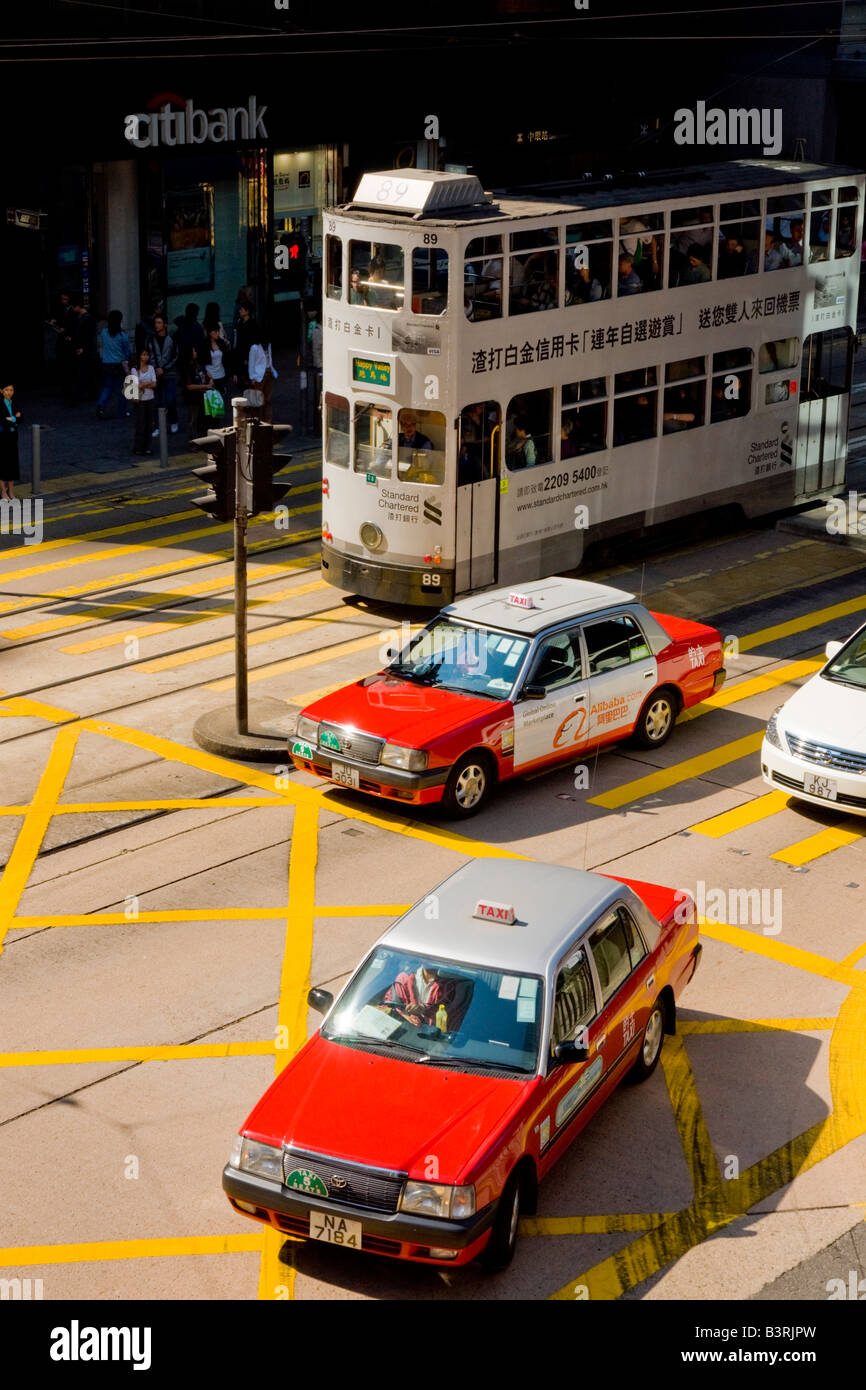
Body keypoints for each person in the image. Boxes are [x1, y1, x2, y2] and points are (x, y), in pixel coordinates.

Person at [146, 313, 179, 435]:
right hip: (155, 373)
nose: (156, 325)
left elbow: (176, 355)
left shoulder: (171, 339)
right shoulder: (150, 338)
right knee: (157, 401)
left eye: (159, 323)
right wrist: (154, 368)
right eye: (155, 323)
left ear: (165, 325)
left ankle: (173, 421)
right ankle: (158, 426)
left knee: (170, 399)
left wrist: (164, 368)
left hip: (168, 373)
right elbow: (148, 354)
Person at [95, 310, 131, 419]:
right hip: (119, 365)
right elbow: (127, 352)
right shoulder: (123, 335)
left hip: (106, 363)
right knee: (121, 389)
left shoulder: (104, 333)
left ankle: (100, 405)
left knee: (107, 387)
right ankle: (122, 411)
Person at [67, 298, 97, 406]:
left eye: (74, 307)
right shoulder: (81, 318)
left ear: (78, 306)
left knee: (83, 373)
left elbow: (89, 336)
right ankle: (88, 393)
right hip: (82, 348)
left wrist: (84, 348)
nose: (73, 309)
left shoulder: (87, 319)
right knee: (83, 373)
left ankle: (82, 395)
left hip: (85, 350)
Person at [181, 345, 214, 439]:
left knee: (202, 420)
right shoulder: (186, 368)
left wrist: (210, 380)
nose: (195, 353)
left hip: (203, 397)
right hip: (193, 398)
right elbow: (189, 386)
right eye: (193, 351)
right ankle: (194, 442)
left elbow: (206, 374)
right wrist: (206, 386)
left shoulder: (197, 364)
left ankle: (202, 439)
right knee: (193, 420)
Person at [130, 348, 157, 456]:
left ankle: (147, 447)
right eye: (143, 354)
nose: (145, 357)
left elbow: (154, 384)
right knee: (140, 424)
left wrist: (144, 384)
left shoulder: (151, 368)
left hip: (150, 398)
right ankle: (139, 447)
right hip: (140, 400)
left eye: (147, 355)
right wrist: (148, 383)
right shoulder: (134, 369)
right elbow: (137, 385)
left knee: (149, 424)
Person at [202, 325, 232, 418]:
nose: (218, 334)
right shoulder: (205, 344)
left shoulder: (221, 343)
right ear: (210, 333)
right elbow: (201, 360)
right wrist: (206, 373)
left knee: (219, 402)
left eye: (218, 331)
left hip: (221, 374)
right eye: (216, 332)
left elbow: (227, 358)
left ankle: (217, 424)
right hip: (210, 375)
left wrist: (231, 373)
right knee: (210, 403)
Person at [247, 334, 277, 422]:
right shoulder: (254, 348)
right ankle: (256, 421)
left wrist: (272, 370)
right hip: (258, 376)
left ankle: (267, 421)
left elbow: (269, 359)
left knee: (268, 400)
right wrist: (252, 377)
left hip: (269, 373)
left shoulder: (269, 345)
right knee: (257, 401)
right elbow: (251, 363)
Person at [0, 384, 22, 499]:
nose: (9, 392)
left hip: (13, 438)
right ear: (1, 391)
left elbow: (21, 417)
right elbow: (2, 421)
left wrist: (11, 418)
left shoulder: (14, 402)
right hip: (2, 438)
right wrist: (14, 418)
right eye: (6, 390)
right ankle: (3, 492)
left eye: (11, 390)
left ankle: (11, 491)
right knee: (3, 465)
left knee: (13, 465)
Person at [233, 302, 260, 387]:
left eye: (242, 309)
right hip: (240, 353)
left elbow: (254, 341)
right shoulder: (240, 322)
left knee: (248, 377)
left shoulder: (252, 324)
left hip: (249, 353)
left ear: (247, 311)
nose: (239, 311)